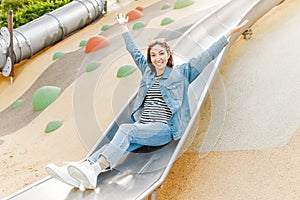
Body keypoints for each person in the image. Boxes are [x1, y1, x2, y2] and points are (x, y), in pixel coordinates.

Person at [46, 13, 248, 190]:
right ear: (150, 59)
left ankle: (94, 169)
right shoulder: (148, 73)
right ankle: (82, 169)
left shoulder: (183, 73)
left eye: (161, 54)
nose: (157, 58)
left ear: (168, 55)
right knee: (119, 142)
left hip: (163, 129)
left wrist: (228, 34)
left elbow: (206, 56)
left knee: (125, 129)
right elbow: (134, 52)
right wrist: (124, 27)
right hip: (143, 127)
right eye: (153, 55)